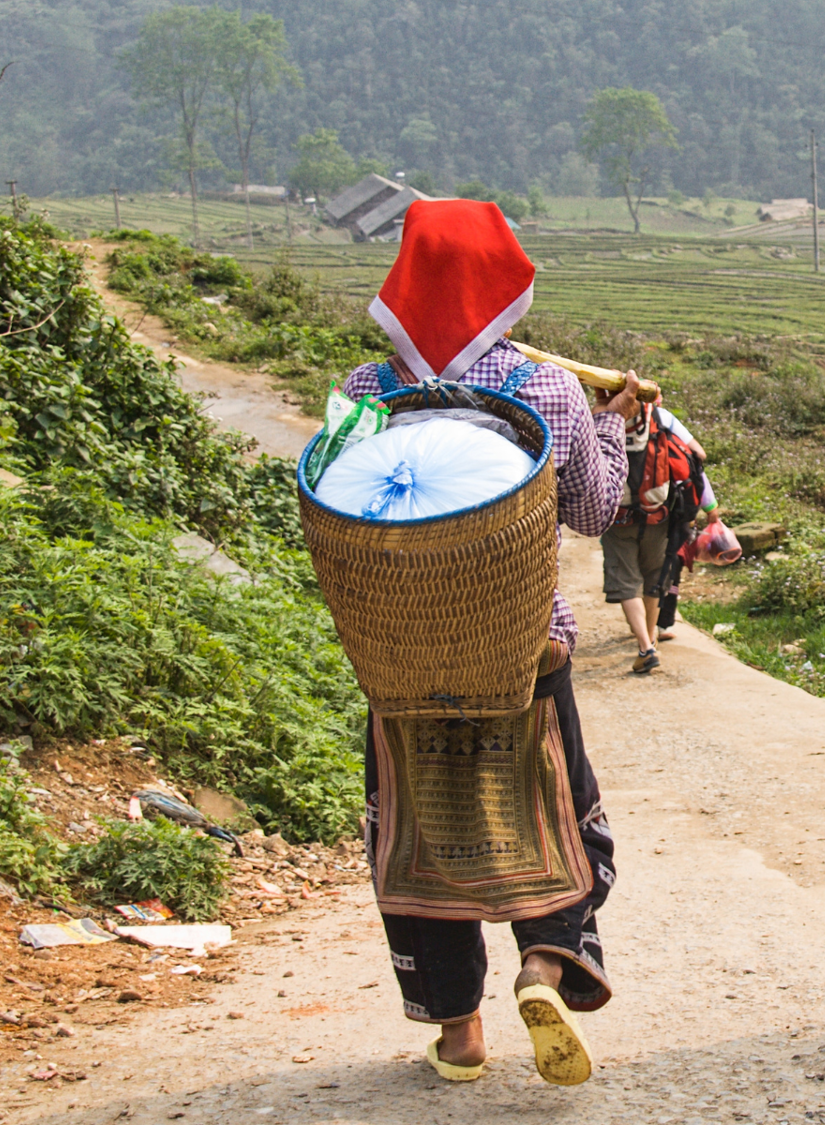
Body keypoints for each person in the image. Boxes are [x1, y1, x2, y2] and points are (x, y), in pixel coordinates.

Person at [337, 199, 641, 1085]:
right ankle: (544, 963)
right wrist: (611, 421)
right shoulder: (542, 388)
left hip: (400, 656)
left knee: (420, 825)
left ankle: (458, 1029)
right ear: (503, 290)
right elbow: (591, 510)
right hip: (522, 650)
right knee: (553, 811)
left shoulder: (365, 391)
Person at [604, 401, 717, 674]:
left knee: (626, 580)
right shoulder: (660, 416)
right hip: (658, 512)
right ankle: (652, 635)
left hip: (616, 515)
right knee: (655, 576)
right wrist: (709, 507)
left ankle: (646, 647)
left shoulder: (602, 414)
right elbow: (698, 454)